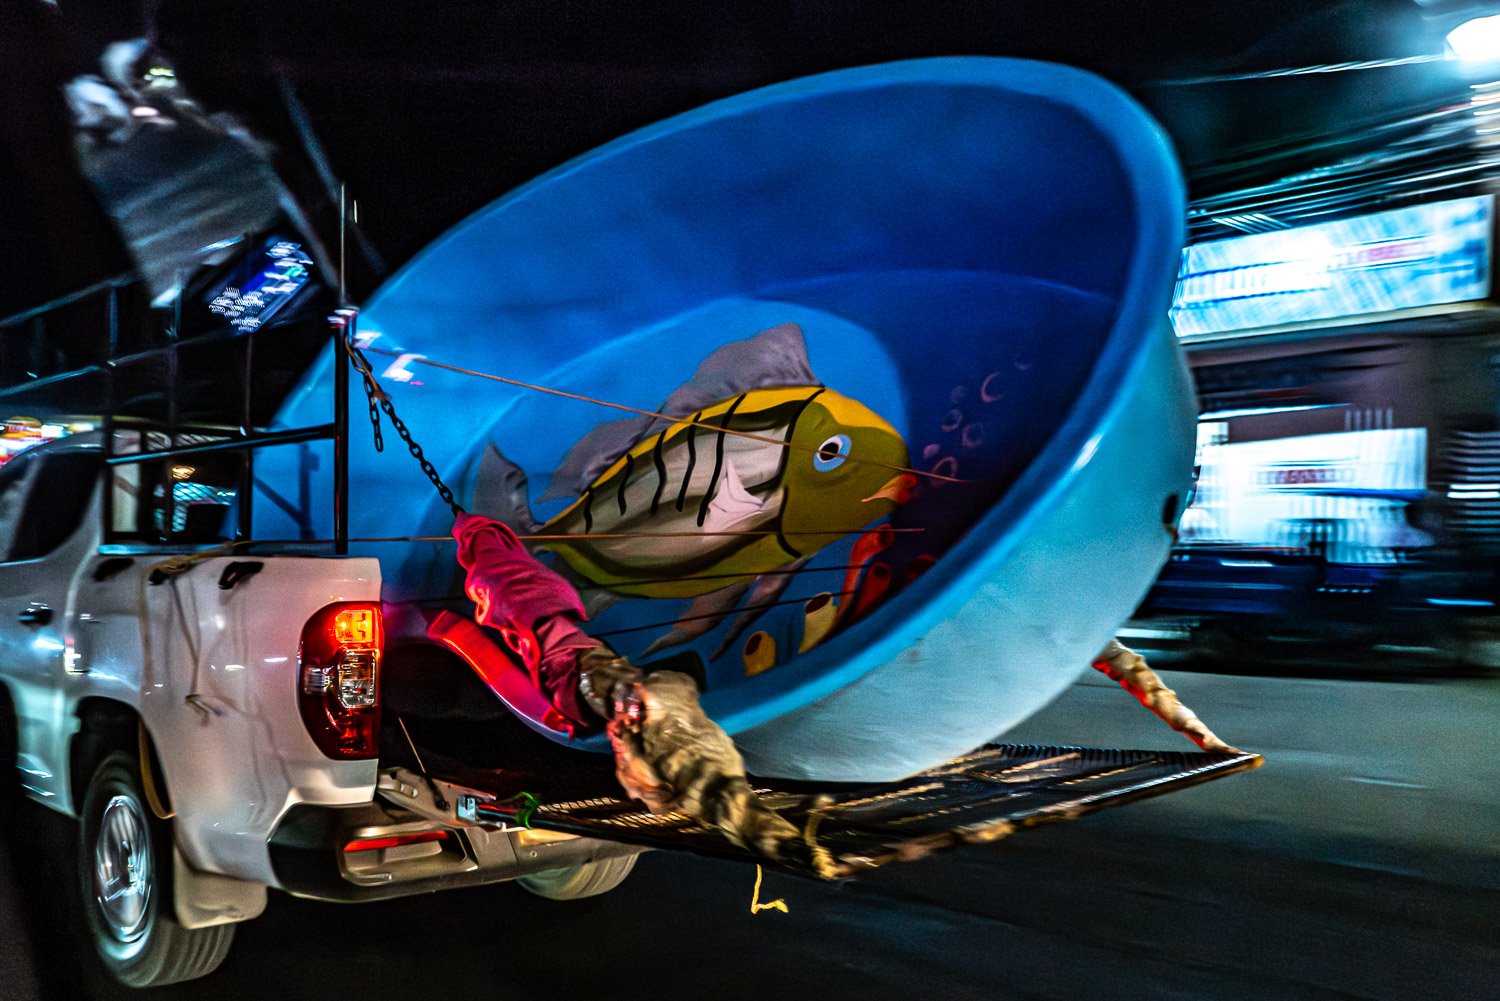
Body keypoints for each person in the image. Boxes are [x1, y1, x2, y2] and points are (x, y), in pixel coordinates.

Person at [453, 512, 798, 858]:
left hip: (579, 671)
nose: (633, 792)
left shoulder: (628, 711)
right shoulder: (639, 708)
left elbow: (706, 785)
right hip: (586, 672)